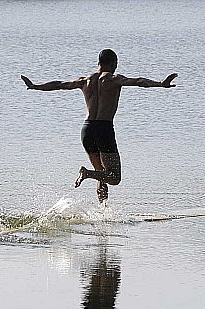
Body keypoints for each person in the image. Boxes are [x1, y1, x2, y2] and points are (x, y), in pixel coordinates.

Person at [22, 49, 177, 202]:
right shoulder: (114, 79)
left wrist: (36, 86)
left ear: (98, 63)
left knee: (101, 173)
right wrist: (161, 84)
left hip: (87, 130)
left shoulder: (85, 80)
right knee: (114, 177)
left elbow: (60, 84)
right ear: (113, 63)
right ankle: (86, 174)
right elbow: (138, 82)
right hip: (104, 129)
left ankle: (102, 213)